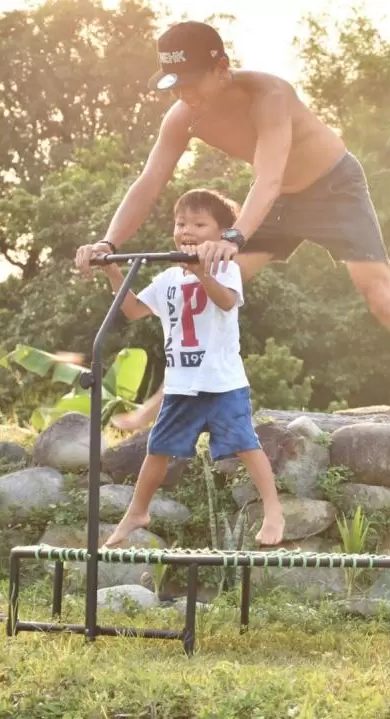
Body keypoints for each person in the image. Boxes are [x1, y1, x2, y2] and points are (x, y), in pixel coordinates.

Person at [74, 20, 390, 454]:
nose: (184, 95)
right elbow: (149, 183)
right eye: (174, 86)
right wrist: (108, 243)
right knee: (206, 290)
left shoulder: (270, 95)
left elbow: (270, 175)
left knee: (377, 293)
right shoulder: (183, 117)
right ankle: (161, 404)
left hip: (333, 188)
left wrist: (236, 235)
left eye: (191, 83)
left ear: (222, 68)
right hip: (276, 202)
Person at [97, 188, 285, 548]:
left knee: (246, 444)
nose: (188, 229)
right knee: (158, 449)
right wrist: (114, 274)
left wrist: (201, 273)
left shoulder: (226, 267)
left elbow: (227, 302)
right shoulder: (168, 278)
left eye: (200, 224)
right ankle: (137, 511)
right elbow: (134, 310)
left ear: (222, 232)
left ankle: (273, 509)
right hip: (182, 385)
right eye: (181, 223)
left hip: (221, 382)